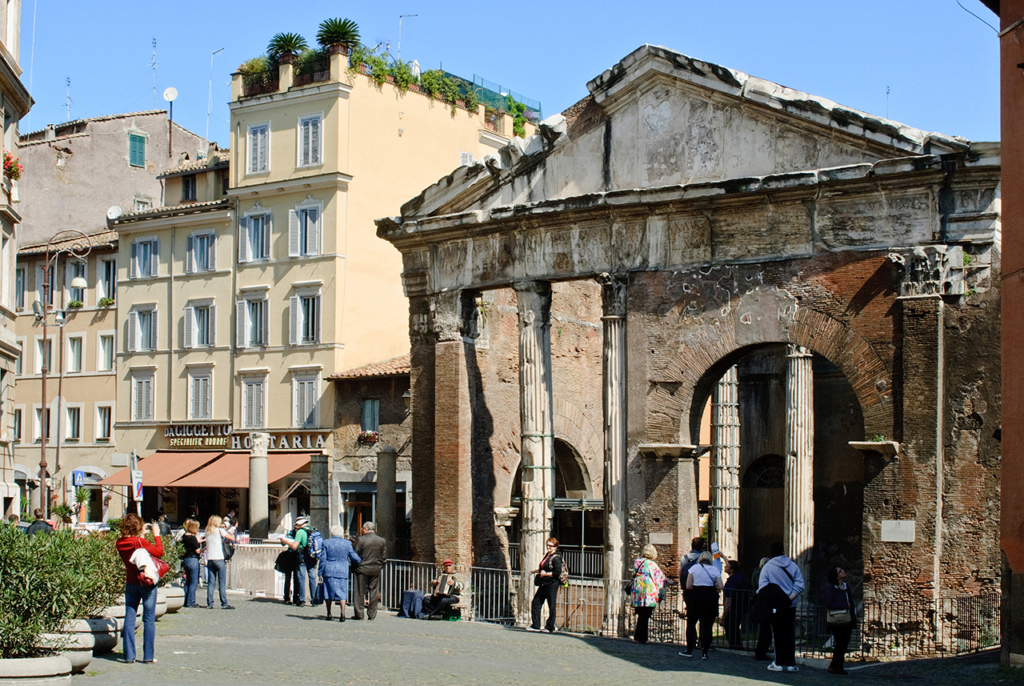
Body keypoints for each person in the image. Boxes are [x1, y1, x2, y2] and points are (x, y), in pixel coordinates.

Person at [115, 513, 163, 663]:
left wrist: (140, 535)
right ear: (138, 527)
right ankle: (148, 656)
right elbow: (159, 552)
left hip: (131, 581)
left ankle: (129, 656)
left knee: (129, 618)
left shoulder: (119, 542)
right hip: (147, 582)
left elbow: (134, 549)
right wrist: (156, 535)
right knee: (148, 619)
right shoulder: (140, 541)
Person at [758, 541, 805, 673]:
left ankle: (778, 662)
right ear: (783, 551)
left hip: (775, 606)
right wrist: (789, 599)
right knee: (790, 634)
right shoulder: (793, 566)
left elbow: (762, 587)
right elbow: (800, 585)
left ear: (771, 553)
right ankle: (790, 663)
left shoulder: (767, 567)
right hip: (790, 605)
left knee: (777, 634)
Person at [682, 551, 724, 660]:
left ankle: (690, 650)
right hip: (710, 597)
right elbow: (720, 586)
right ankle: (705, 652)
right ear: (710, 559)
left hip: (696, 597)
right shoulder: (714, 570)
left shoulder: (694, 568)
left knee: (691, 624)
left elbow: (688, 586)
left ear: (700, 558)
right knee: (707, 626)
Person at [319, 525, 361, 621]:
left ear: (331, 533)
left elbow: (322, 559)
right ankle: (342, 614)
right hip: (342, 570)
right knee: (342, 592)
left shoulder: (326, 543)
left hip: (329, 570)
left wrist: (320, 572)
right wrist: (359, 560)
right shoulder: (347, 544)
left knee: (328, 592)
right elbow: (354, 557)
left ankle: (329, 613)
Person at [630, 543, 670, 644]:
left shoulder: (637, 562)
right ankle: (643, 638)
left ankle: (637, 637)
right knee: (645, 615)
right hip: (647, 591)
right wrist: (667, 581)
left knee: (640, 615)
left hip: (637, 590)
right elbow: (659, 577)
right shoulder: (651, 564)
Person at [824, 565, 856, 675]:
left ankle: (837, 665)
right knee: (840, 643)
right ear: (836, 576)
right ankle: (835, 666)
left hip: (847, 618)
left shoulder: (846, 587)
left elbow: (851, 603)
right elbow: (829, 603)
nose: (843, 571)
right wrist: (844, 605)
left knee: (844, 643)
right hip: (836, 619)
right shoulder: (830, 587)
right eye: (840, 571)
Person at [352, 521, 388, 620]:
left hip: (362, 569)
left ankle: (359, 613)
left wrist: (355, 566)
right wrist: (380, 566)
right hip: (375, 569)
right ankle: (372, 613)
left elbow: (355, 555)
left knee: (359, 592)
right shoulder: (381, 540)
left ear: (366, 529)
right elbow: (384, 556)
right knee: (374, 591)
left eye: (363, 529)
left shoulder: (361, 539)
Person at [527, 537, 563, 633]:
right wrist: (536, 571)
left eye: (550, 546)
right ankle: (536, 625)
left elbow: (557, 572)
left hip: (552, 583)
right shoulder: (547, 555)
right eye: (547, 545)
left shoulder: (557, 558)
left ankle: (550, 626)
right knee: (536, 602)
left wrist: (546, 574)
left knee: (551, 604)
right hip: (544, 583)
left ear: (555, 547)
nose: (548, 547)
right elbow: (544, 567)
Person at [678, 536, 705, 653]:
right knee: (703, 617)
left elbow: (679, 572)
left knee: (691, 618)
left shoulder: (684, 558)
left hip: (688, 591)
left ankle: (692, 642)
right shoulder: (703, 558)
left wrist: (683, 586)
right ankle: (703, 643)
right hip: (700, 590)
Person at [204, 515, 235, 610]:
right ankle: (224, 603)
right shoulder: (219, 530)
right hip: (219, 558)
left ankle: (210, 603)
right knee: (221, 582)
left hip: (210, 558)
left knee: (211, 582)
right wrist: (232, 532)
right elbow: (231, 538)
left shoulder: (207, 531)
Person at [722, 560, 750, 649]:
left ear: (732, 570)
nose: (725, 567)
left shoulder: (731, 582)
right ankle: (737, 645)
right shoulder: (740, 577)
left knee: (730, 628)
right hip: (740, 607)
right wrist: (721, 555)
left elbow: (728, 602)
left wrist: (723, 617)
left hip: (733, 609)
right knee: (735, 628)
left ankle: (735, 646)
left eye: (727, 566)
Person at [751, 556, 773, 660]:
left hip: (760, 600)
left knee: (765, 629)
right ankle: (761, 652)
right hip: (764, 601)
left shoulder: (757, 573)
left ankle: (761, 651)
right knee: (765, 629)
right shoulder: (761, 574)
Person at [180, 519, 202, 608]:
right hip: (193, 559)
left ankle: (185, 600)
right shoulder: (192, 538)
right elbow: (197, 551)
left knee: (188, 581)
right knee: (193, 582)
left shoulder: (184, 536)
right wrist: (204, 548)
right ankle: (191, 601)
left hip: (186, 559)